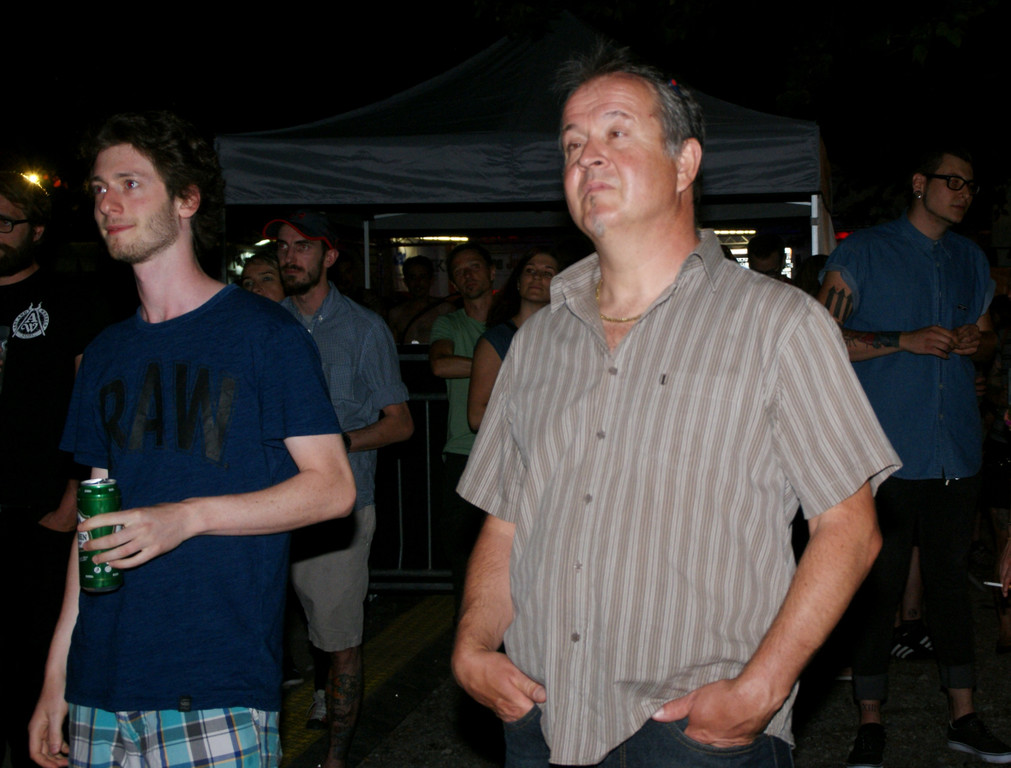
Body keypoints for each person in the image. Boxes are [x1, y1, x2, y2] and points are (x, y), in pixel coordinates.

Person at [451, 46, 899, 767]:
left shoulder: (778, 324)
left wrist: (758, 693)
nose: (588, 157)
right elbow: (506, 521)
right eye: (572, 145)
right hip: (542, 716)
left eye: (616, 132)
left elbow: (849, 528)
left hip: (691, 731)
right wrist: (473, 645)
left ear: (685, 162)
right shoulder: (535, 343)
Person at [28, 112, 355, 768]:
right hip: (99, 684)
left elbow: (333, 489)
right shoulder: (105, 353)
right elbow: (92, 525)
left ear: (187, 199)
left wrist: (186, 517)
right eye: (99, 188)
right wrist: (56, 678)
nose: (108, 203)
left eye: (130, 183)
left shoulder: (264, 334)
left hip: (211, 683)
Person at [818, 148, 1010, 766]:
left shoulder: (969, 258)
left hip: (956, 451)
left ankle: (964, 715)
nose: (964, 193)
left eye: (971, 186)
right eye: (952, 181)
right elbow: (821, 340)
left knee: (950, 586)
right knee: (880, 586)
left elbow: (987, 340)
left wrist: (976, 341)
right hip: (884, 454)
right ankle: (870, 719)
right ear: (920, 183)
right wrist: (902, 340)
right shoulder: (864, 252)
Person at [262, 210, 413, 768]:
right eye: (282, 246)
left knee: (339, 638)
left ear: (329, 256)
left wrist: (337, 445)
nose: (290, 255)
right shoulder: (264, 324)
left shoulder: (363, 329)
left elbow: (400, 423)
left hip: (336, 512)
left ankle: (335, 759)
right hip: (264, 507)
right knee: (262, 634)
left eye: (303, 246)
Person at [0, 170, 100, 768]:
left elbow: (90, 406)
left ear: (36, 230)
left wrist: (70, 499)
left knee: (31, 661)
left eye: (5, 222)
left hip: (37, 512)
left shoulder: (69, 301)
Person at [429, 243, 495, 611]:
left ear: (492, 272)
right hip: (461, 451)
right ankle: (467, 630)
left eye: (474, 266)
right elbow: (440, 364)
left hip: (508, 450)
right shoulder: (450, 323)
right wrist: (497, 364)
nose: (467, 275)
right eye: (459, 271)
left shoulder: (511, 324)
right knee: (462, 554)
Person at [467, 249, 558, 431]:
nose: (537, 277)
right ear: (518, 282)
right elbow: (476, 417)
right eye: (530, 270)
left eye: (547, 273)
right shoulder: (497, 340)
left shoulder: (570, 338)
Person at [387, 256, 454, 344]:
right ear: (405, 281)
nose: (418, 282)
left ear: (431, 280)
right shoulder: (396, 314)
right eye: (412, 277)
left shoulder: (445, 310)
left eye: (422, 277)